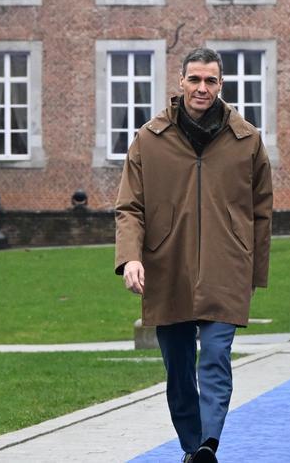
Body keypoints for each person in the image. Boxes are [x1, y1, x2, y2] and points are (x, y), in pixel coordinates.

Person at [115, 47, 273, 463]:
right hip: (168, 267)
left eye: (211, 81)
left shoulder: (247, 141)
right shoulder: (149, 140)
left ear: (221, 85)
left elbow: (262, 211)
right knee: (179, 370)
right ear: (181, 82)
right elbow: (129, 207)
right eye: (195, 80)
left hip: (227, 267)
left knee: (217, 357)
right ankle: (192, 447)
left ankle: (209, 443)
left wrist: (253, 272)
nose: (202, 88)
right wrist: (131, 258)